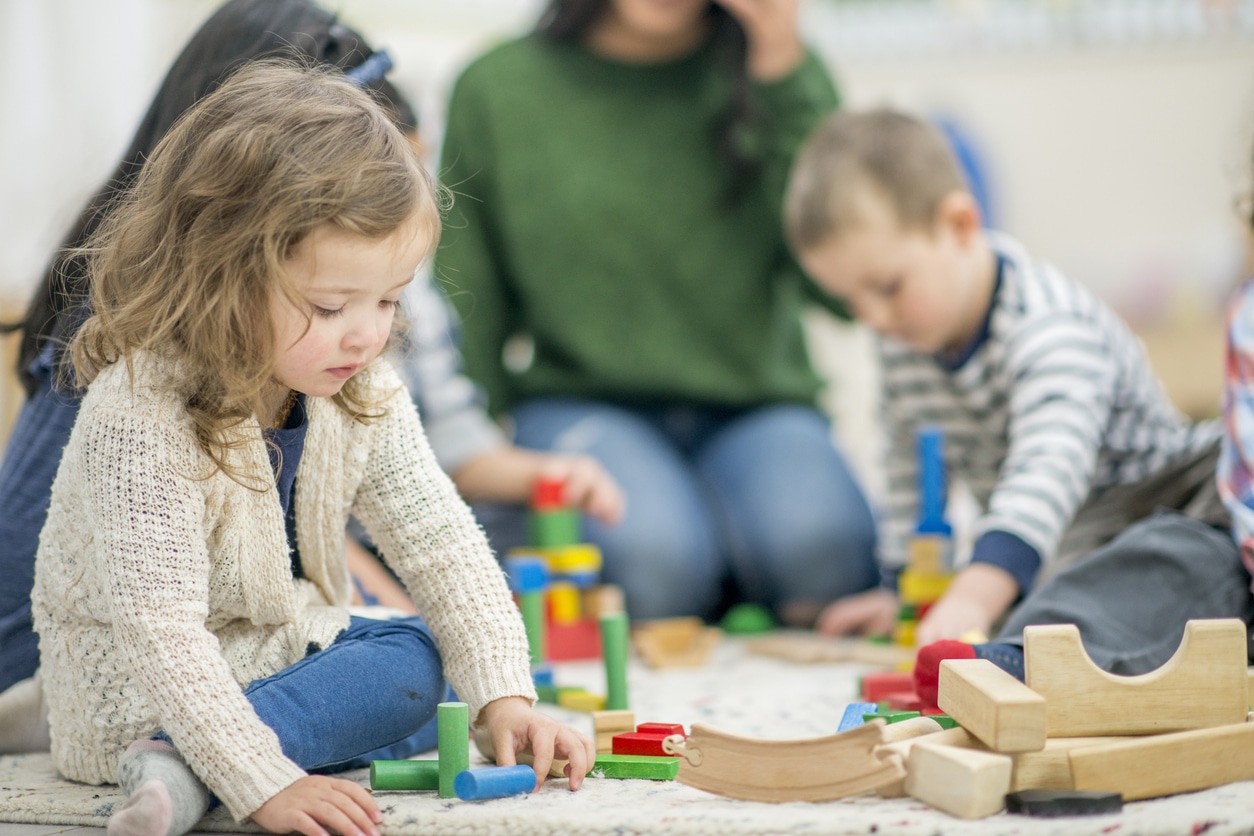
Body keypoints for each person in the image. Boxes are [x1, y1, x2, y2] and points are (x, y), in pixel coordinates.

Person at [0, 0, 622, 741]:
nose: (369, 334)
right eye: (331, 305)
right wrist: (256, 772)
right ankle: (197, 759)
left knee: (433, 674)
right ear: (228, 272)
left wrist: (508, 700)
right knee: (408, 665)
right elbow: (158, 627)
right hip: (151, 691)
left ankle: (223, 754)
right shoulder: (138, 399)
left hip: (259, 653)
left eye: (391, 298)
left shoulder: (355, 377)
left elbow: (439, 537)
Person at [435, 0, 877, 624]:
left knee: (826, 555)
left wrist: (780, 70)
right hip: (582, 402)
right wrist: (466, 463)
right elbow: (465, 306)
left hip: (755, 404)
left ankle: (725, 557)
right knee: (653, 567)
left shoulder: (784, 73)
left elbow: (840, 292)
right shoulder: (496, 88)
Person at [784, 108, 1243, 684]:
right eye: (852, 303)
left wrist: (974, 597)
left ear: (958, 225)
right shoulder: (903, 342)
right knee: (1055, 592)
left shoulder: (1048, 324)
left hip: (1160, 508)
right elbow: (906, 470)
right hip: (1068, 546)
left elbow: (1047, 466)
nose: (874, 319)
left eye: (887, 287)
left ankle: (1053, 649)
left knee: (1163, 563)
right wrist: (906, 595)